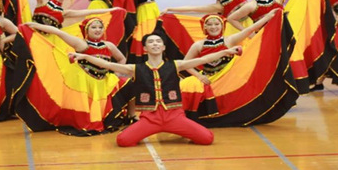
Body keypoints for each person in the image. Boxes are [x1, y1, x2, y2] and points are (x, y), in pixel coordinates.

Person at [70, 33, 241, 146]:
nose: (155, 44)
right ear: (145, 48)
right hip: (150, 119)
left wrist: (227, 51)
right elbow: (108, 65)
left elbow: (203, 59)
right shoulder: (135, 68)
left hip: (174, 116)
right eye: (150, 42)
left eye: (158, 41)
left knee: (207, 138)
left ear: (163, 47)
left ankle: (181, 131)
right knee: (123, 141)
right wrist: (83, 56)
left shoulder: (176, 65)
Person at [183, 10, 279, 85]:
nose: (213, 27)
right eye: (209, 24)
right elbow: (185, 64)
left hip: (228, 80)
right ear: (205, 27)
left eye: (217, 24)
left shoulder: (229, 40)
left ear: (222, 26)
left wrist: (267, 17)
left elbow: (249, 30)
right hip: (209, 81)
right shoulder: (198, 45)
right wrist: (199, 76)